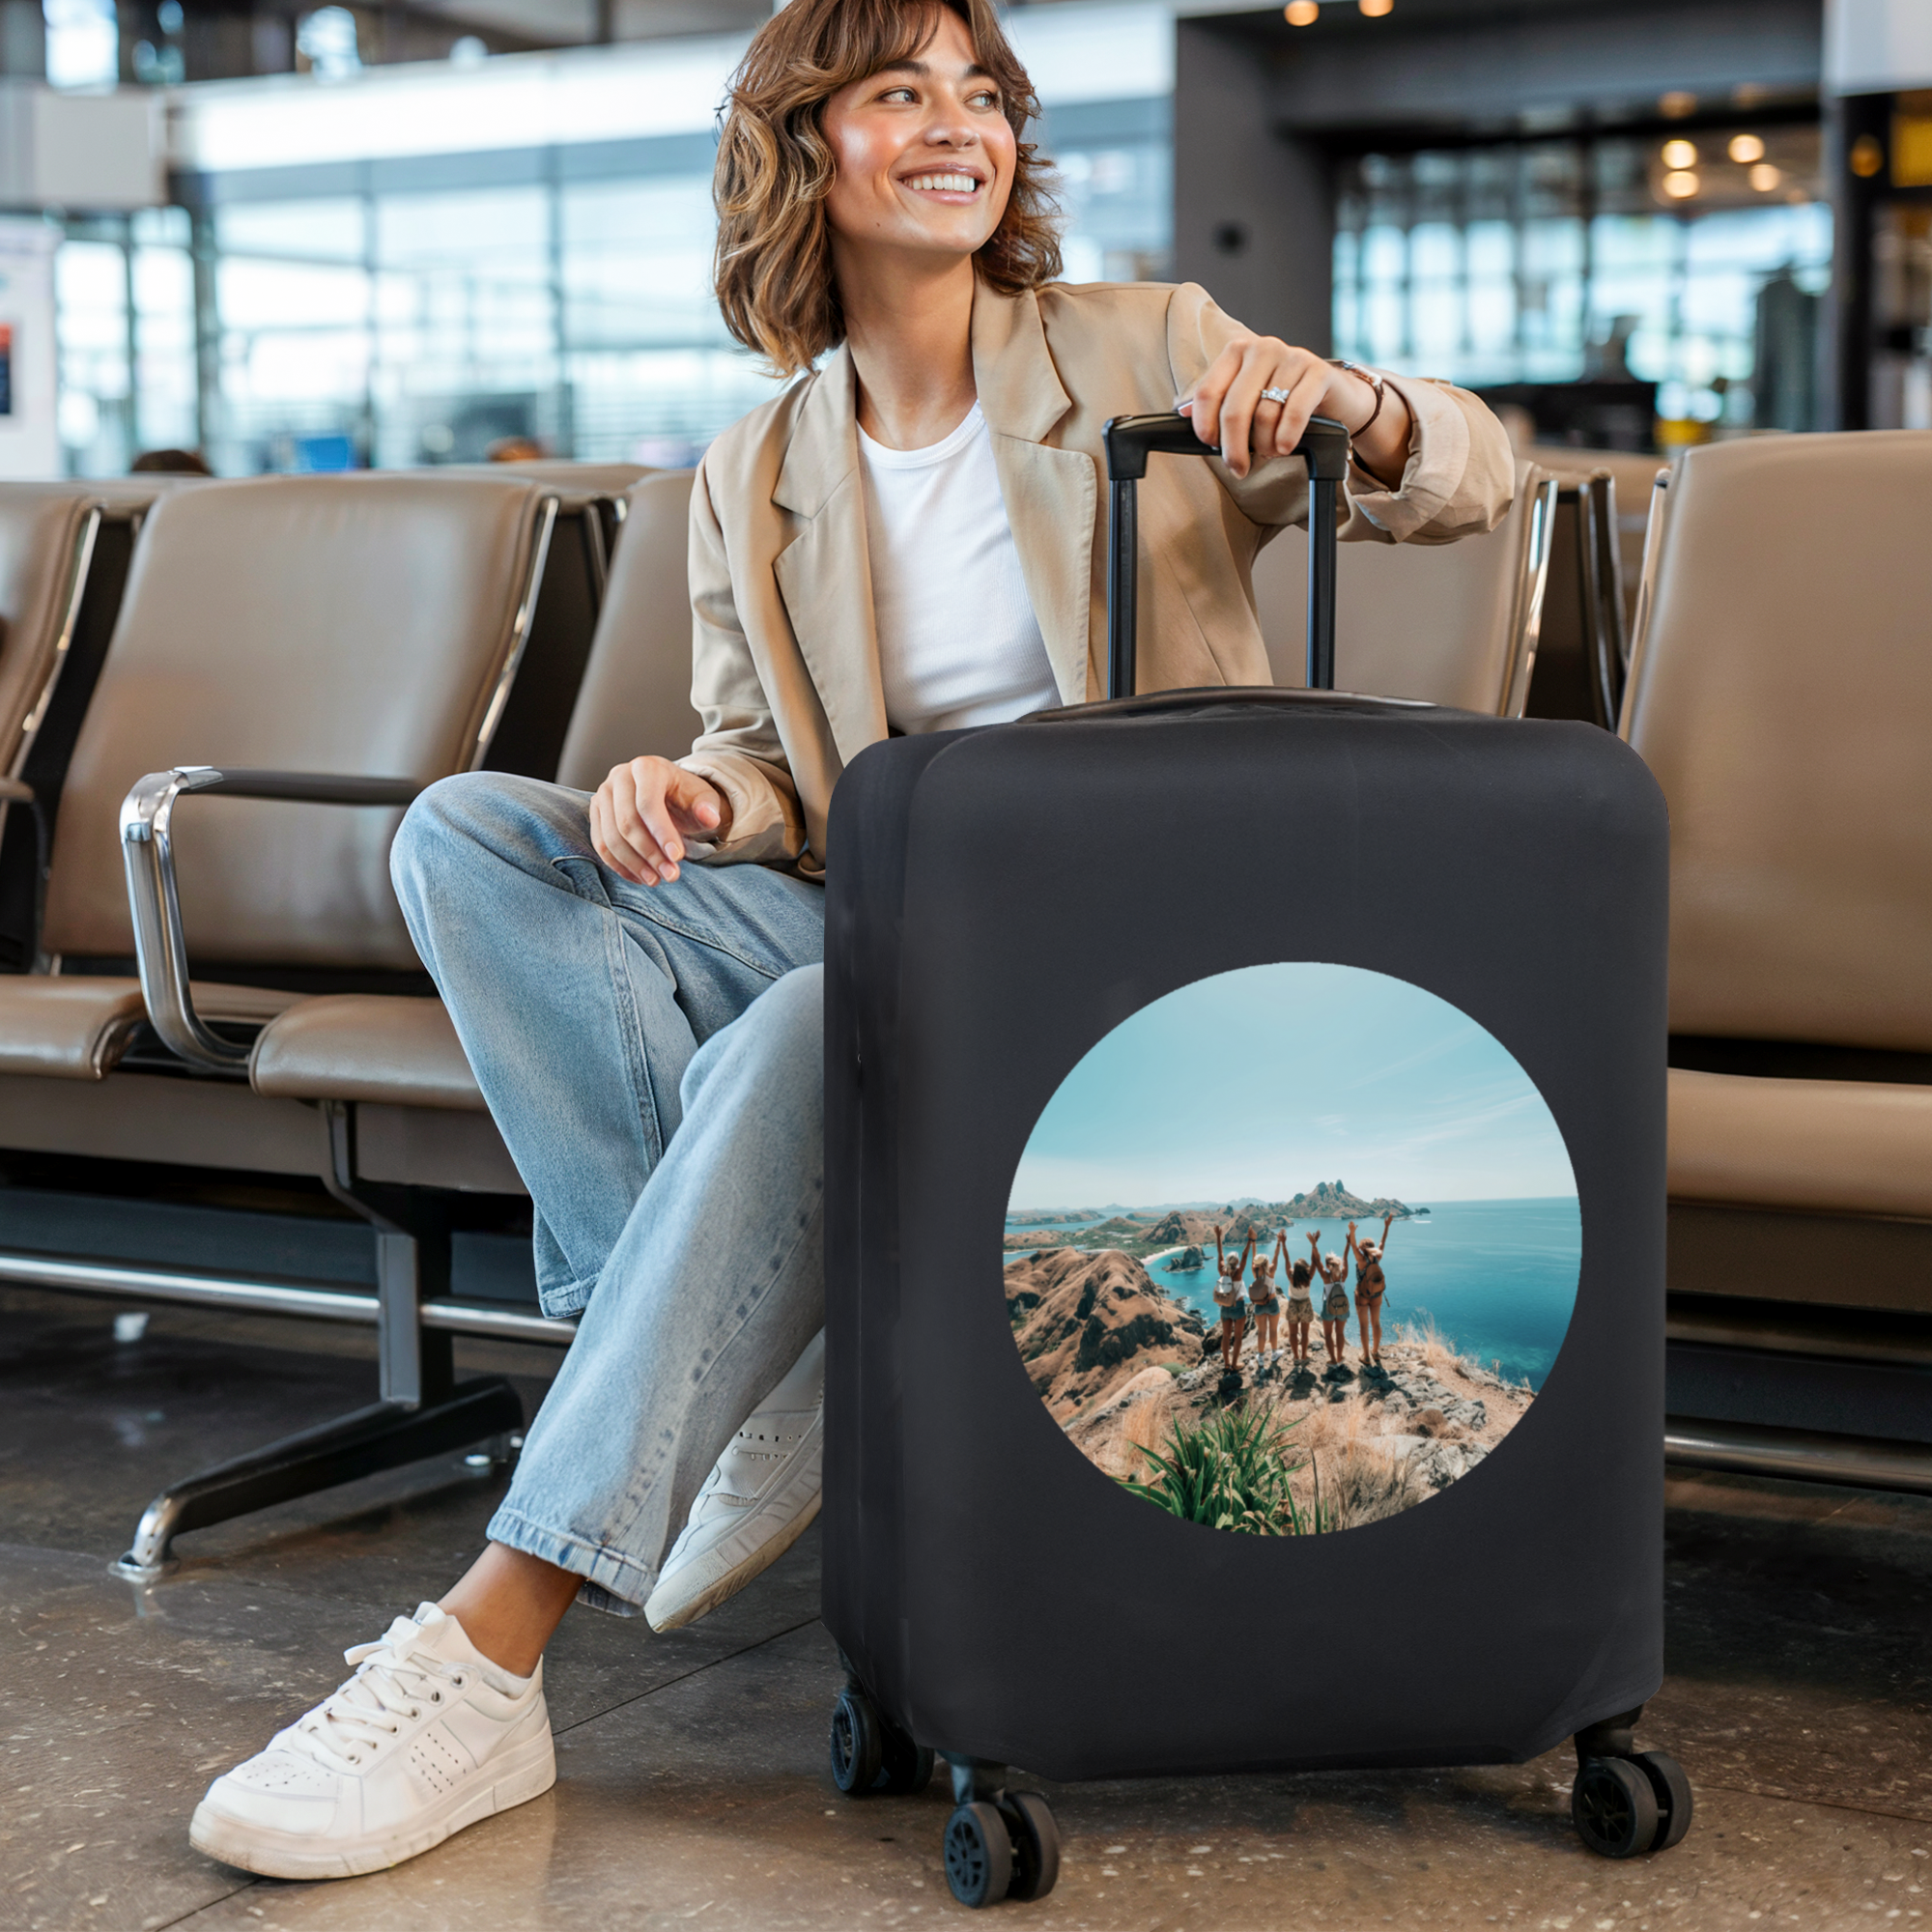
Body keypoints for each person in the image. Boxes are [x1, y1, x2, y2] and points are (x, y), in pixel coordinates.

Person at [186, 0, 1511, 1883]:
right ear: (807, 145)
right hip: (875, 903)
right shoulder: (755, 467)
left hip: (1111, 941)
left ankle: (489, 1647)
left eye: (983, 94)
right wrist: (698, 795)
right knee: (471, 833)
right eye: (901, 91)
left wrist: (1359, 409)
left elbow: (1473, 479)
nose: (958, 124)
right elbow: (766, 757)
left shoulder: (1141, 346)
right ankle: (738, 1362)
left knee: (811, 1024)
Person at [1348, 1214, 1395, 1372]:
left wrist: (1352, 1232)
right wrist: (1386, 1227)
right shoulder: (1377, 1258)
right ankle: (1375, 1352)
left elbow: (1353, 1245)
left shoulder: (1361, 1260)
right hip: (1376, 1295)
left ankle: (1366, 1356)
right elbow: (1383, 1242)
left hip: (1362, 1295)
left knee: (1364, 1326)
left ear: (1362, 1248)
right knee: (1376, 1324)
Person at [1211, 1222, 1255, 1371]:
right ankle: (1235, 1364)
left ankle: (1226, 1364)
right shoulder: (1238, 1273)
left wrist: (1218, 1236)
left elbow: (1220, 1254)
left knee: (1225, 1337)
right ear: (1236, 1263)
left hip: (1225, 1307)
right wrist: (1250, 1240)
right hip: (1238, 1307)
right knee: (1237, 1338)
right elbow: (1245, 1255)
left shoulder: (1222, 1270)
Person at [1315, 1233, 1352, 1373]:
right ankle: (1339, 1357)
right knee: (1340, 1333)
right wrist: (1348, 1243)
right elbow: (1346, 1258)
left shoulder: (1326, 1276)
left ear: (1327, 1265)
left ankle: (1332, 1360)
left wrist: (1314, 1244)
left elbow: (1317, 1261)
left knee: (1328, 1334)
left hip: (1329, 1307)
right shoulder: (1343, 1274)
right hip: (1342, 1306)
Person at [1247, 1231, 1283, 1369]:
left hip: (1259, 1304)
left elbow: (1253, 1258)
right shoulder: (1271, 1270)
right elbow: (1276, 1255)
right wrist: (1279, 1242)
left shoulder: (1254, 1270)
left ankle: (1261, 1358)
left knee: (1261, 1332)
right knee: (1273, 1330)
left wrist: (1253, 1242)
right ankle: (1274, 1354)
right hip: (1272, 1303)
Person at [1282, 1234, 1317, 1371]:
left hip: (1293, 1304)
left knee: (1292, 1334)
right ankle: (1303, 1356)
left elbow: (1286, 1259)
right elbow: (1314, 1261)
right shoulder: (1309, 1278)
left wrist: (1283, 1243)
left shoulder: (1291, 1278)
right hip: (1305, 1304)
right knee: (1305, 1333)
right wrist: (1313, 1245)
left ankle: (1296, 1357)